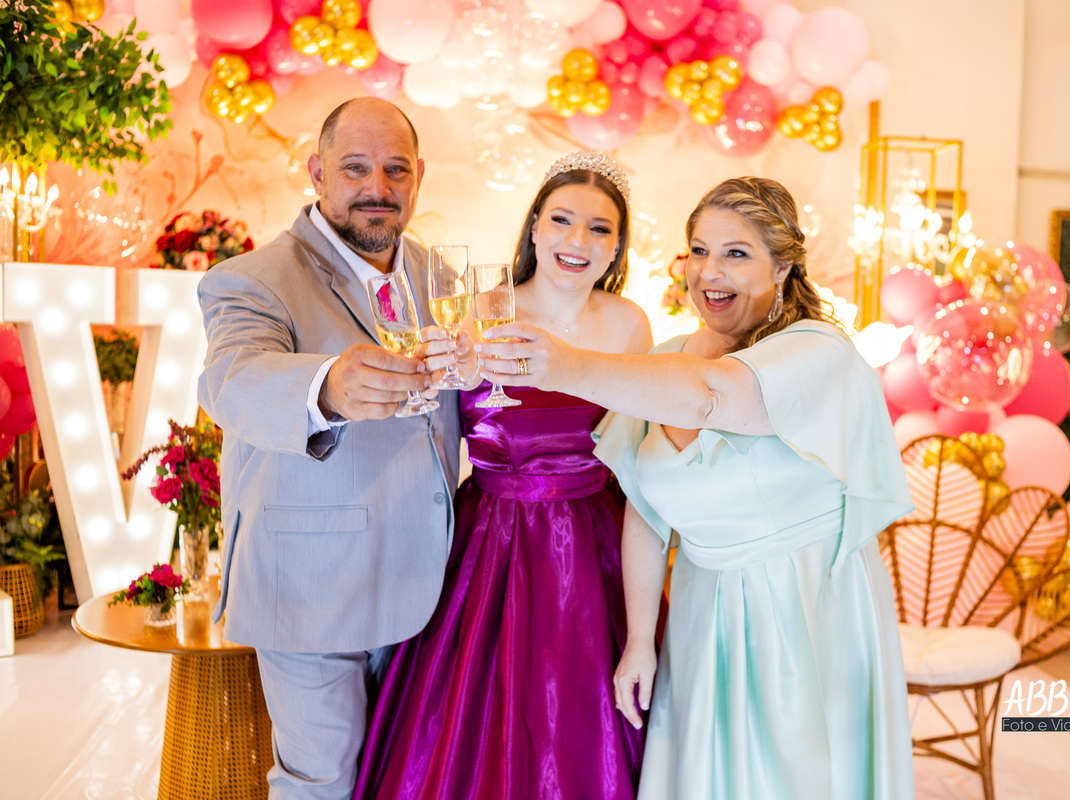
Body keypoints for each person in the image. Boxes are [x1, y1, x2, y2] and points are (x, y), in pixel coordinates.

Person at [477, 177, 917, 799]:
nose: (711, 271)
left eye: (736, 253)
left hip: (801, 606)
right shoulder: (668, 357)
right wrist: (639, 640)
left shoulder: (819, 350)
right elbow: (644, 509)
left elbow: (712, 396)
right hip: (699, 612)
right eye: (700, 251)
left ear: (783, 267)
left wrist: (563, 365)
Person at [351, 151, 654, 800]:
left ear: (617, 246)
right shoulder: (479, 309)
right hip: (490, 540)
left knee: (582, 725)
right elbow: (426, 413)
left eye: (599, 228)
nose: (577, 240)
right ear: (535, 226)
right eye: (562, 220)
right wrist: (434, 377)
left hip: (593, 545)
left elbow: (635, 450)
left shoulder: (630, 324)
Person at [197, 97, 462, 800]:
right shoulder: (253, 278)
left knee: (405, 778)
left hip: (428, 585)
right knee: (321, 784)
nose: (378, 187)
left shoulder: (439, 277)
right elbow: (231, 379)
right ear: (317, 173)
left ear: (419, 177)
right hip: (309, 585)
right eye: (354, 168)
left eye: (396, 169)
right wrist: (328, 386)